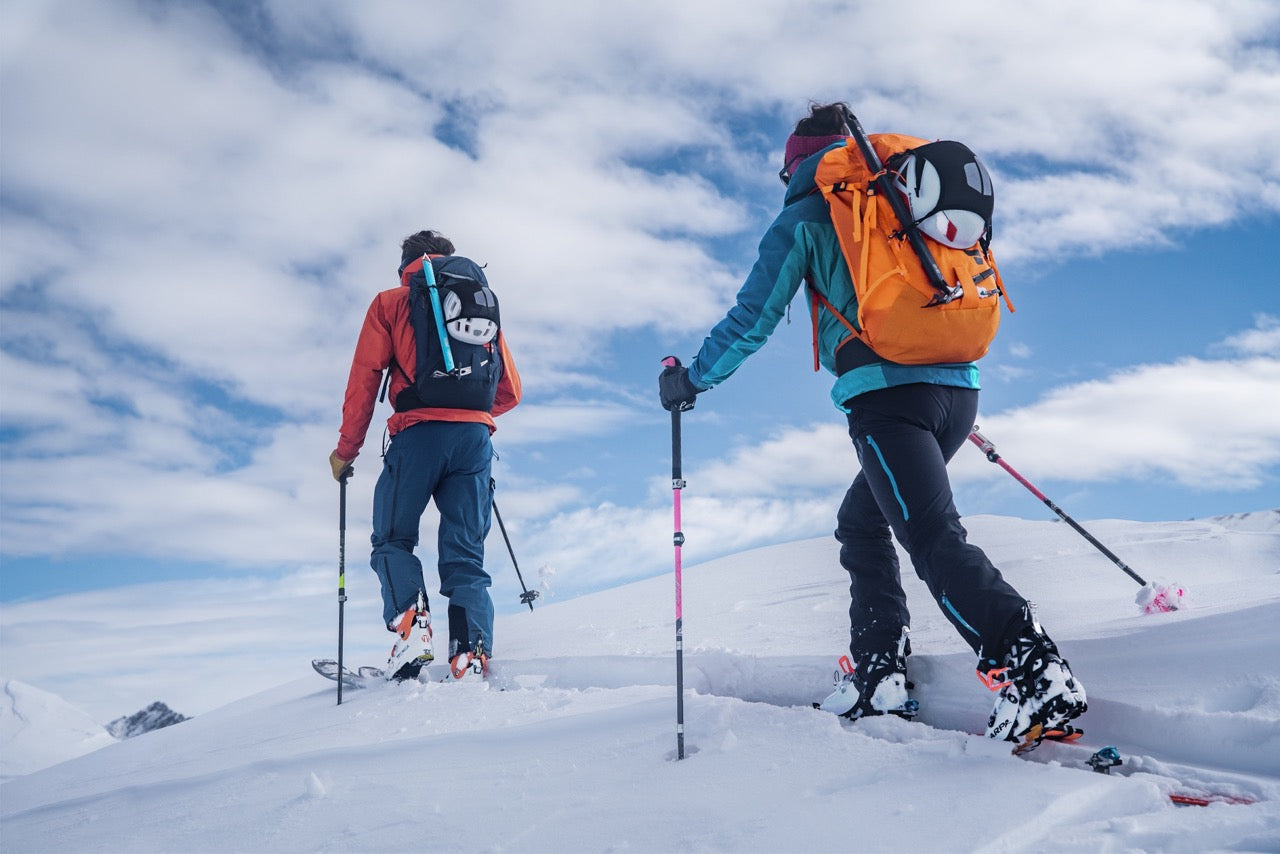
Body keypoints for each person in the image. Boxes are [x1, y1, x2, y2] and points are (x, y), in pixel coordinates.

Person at [658, 103, 1086, 747]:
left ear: (796, 166)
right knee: (862, 521)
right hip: (954, 392)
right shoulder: (897, 201)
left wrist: (690, 380)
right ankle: (879, 670)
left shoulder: (808, 215)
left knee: (933, 537)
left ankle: (1031, 668)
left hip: (889, 401)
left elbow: (753, 318)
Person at [331, 229, 521, 682]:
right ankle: (470, 652)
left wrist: (346, 451)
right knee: (466, 553)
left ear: (406, 267)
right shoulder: (478, 301)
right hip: (475, 440)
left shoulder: (391, 302)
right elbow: (509, 392)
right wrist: (467, 414)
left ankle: (413, 630)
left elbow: (363, 382)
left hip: (417, 437)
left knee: (393, 539)